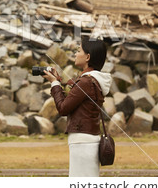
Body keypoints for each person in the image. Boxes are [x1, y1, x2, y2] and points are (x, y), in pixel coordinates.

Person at [42, 38, 112, 177]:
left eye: (78, 50)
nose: (75, 54)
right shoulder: (94, 80)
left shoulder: (85, 82)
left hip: (82, 141)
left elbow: (63, 108)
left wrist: (55, 84)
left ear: (87, 57)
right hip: (89, 139)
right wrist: (58, 83)